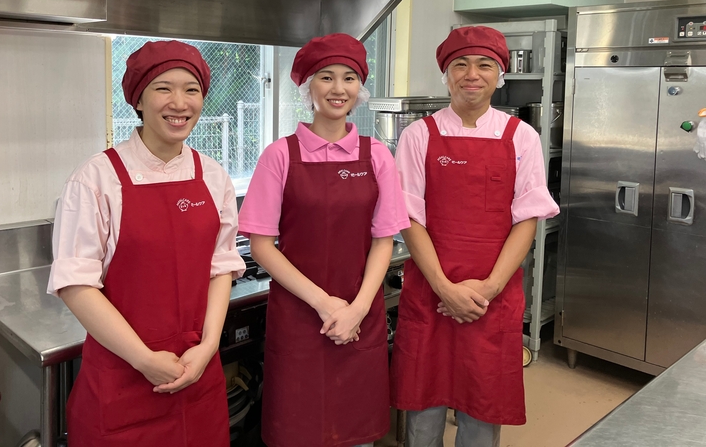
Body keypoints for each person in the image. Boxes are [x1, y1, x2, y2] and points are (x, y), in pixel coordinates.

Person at [47, 40, 245, 446]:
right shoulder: (96, 179)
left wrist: (208, 347)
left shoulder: (213, 176)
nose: (179, 102)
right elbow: (75, 284)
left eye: (191, 89)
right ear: (138, 99)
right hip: (124, 378)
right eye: (163, 88)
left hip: (196, 371)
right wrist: (144, 359)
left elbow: (221, 266)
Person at [390, 26, 560, 447]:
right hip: (432, 293)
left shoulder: (521, 137)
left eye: (485, 65)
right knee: (423, 410)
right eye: (460, 65)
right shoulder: (418, 136)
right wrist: (444, 288)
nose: (472, 74)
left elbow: (527, 218)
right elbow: (409, 218)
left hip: (493, 295)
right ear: (445, 76)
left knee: (482, 412)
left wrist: (489, 287)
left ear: (499, 74)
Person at [238, 33, 410, 447]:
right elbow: (261, 246)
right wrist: (326, 304)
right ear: (308, 87)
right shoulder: (280, 155)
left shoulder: (377, 155)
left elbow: (383, 240)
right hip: (300, 318)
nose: (338, 89)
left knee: (357, 436)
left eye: (349, 78)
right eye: (326, 77)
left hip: (359, 315)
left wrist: (357, 310)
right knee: (299, 431)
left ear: (360, 89)